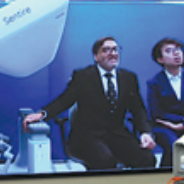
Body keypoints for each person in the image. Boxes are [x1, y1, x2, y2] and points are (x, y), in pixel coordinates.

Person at [23, 37, 156, 170]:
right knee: (105, 161)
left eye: (115, 50)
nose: (113, 53)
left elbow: (138, 110)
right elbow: (64, 101)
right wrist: (42, 114)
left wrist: (145, 133)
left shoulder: (129, 78)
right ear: (96, 56)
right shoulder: (83, 76)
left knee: (147, 159)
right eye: (106, 50)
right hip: (88, 136)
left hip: (117, 134)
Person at [146, 38, 184, 168]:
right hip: (165, 126)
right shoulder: (154, 82)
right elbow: (156, 111)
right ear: (160, 59)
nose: (176, 53)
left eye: (178, 49)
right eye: (169, 51)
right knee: (175, 146)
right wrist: (177, 123)